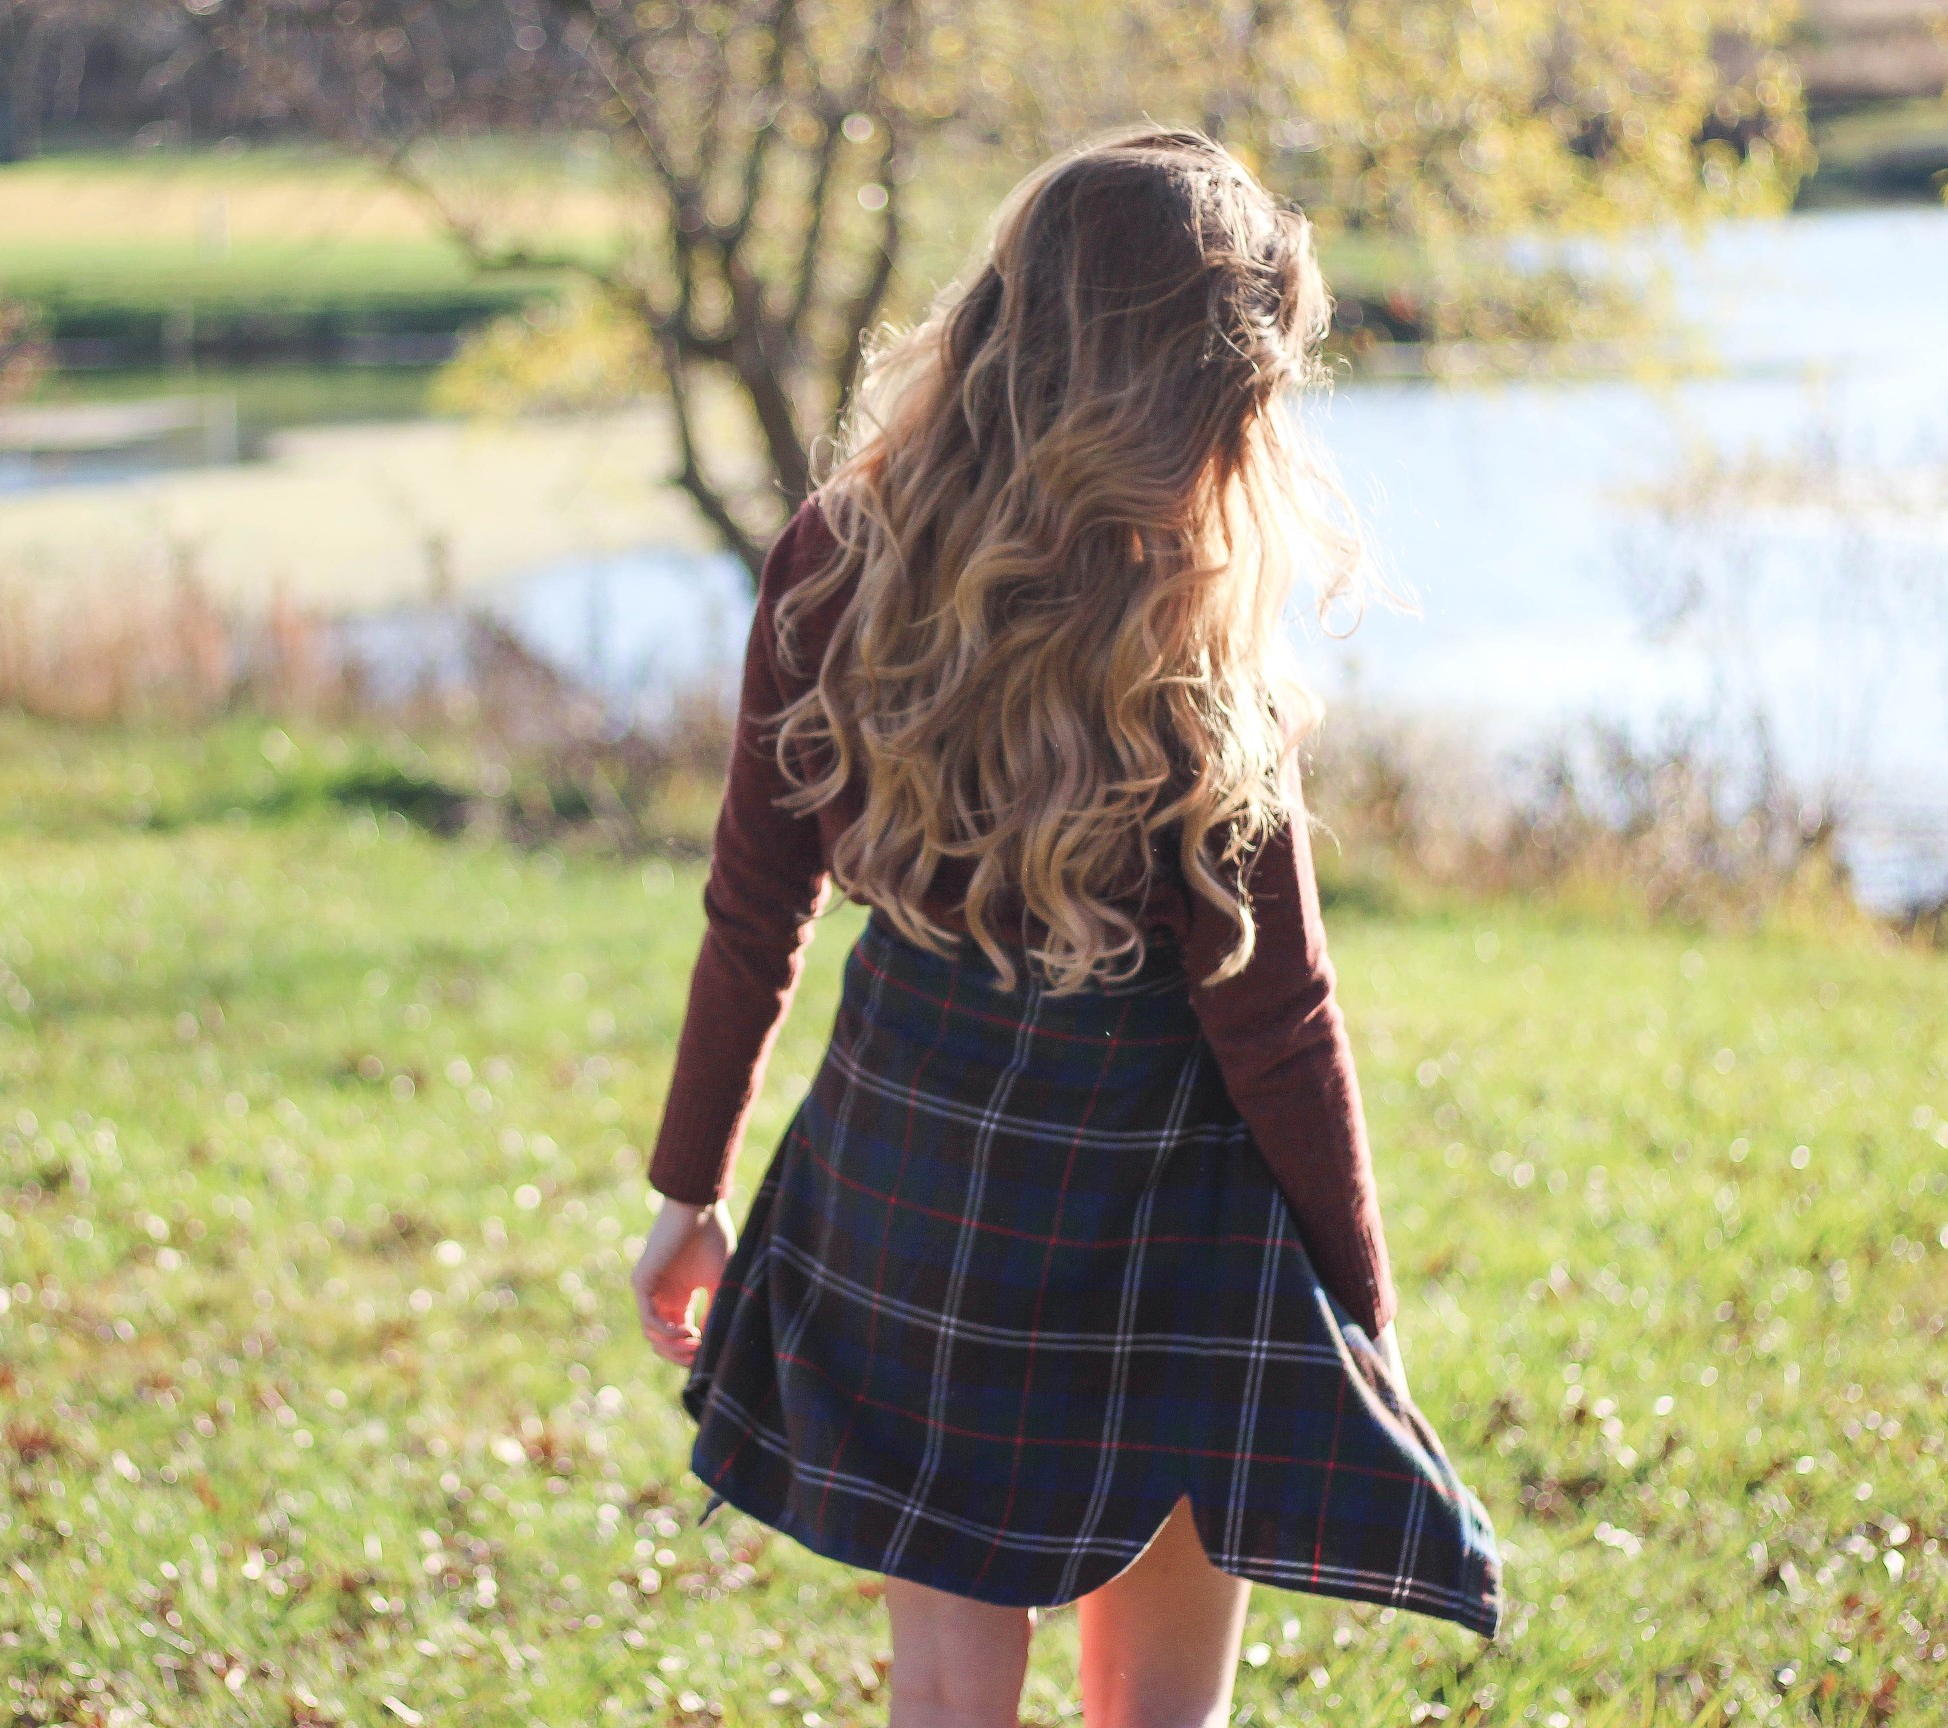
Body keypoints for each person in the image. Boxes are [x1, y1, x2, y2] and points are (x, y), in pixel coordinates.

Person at [627, 127, 1501, 1727]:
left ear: (1006, 316)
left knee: (952, 1685)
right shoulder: (1195, 654)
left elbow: (757, 906)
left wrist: (691, 1187)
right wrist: (1358, 1308)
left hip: (916, 1182)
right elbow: (1278, 1016)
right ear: (1210, 393)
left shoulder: (835, 562)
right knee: (1158, 1702)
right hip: (1158, 1218)